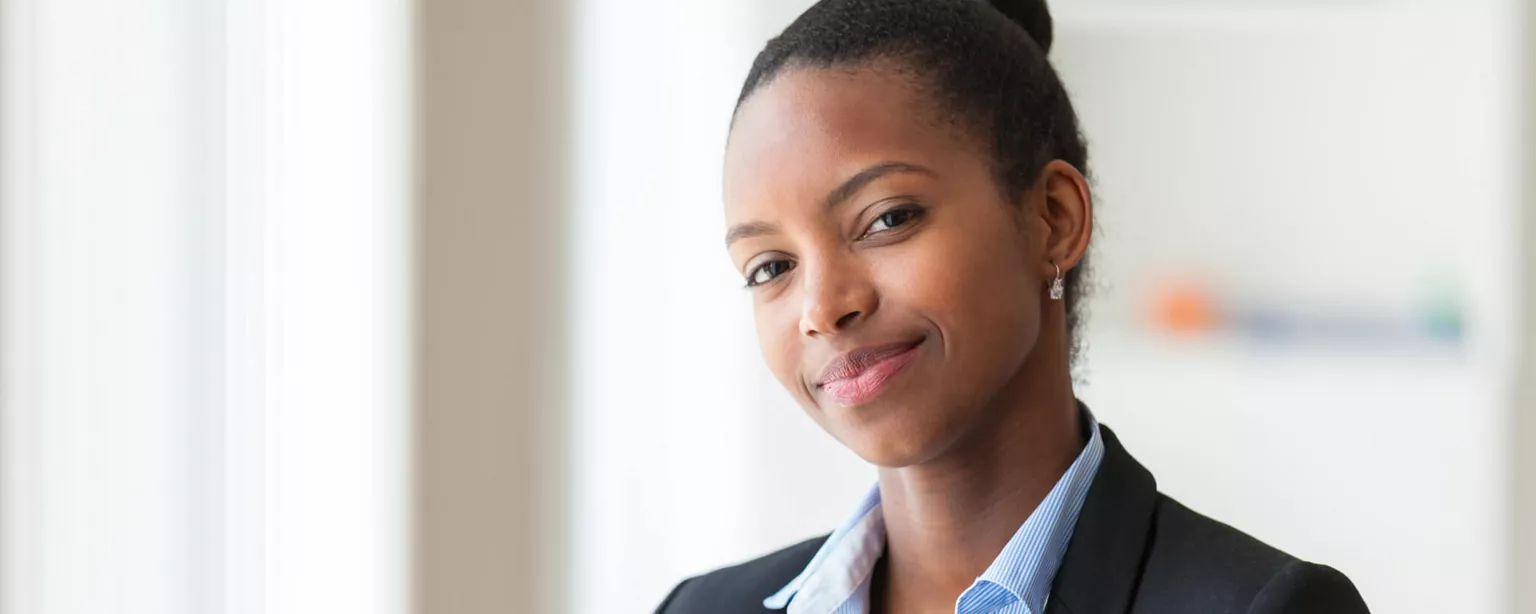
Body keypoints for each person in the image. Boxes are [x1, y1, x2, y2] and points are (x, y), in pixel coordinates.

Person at [657, 0, 1370, 612]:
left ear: (1052, 219)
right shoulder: (701, 608)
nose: (822, 307)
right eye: (771, 266)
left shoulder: (1262, 606)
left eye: (887, 219)